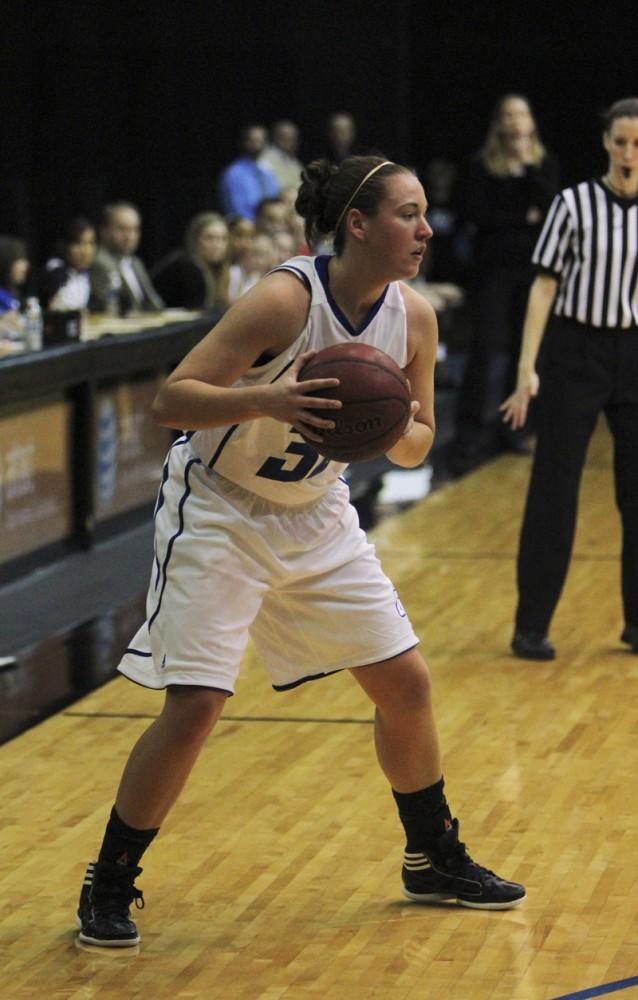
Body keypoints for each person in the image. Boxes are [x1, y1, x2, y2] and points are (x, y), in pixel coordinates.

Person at [75, 154, 525, 949]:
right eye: (408, 214)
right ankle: (109, 880)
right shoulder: (285, 298)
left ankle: (432, 856)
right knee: (196, 707)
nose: (426, 230)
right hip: (221, 508)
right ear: (358, 224)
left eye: (425, 214)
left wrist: (391, 429)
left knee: (406, 683)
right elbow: (171, 400)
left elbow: (419, 438)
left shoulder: (413, 317)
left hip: (316, 513)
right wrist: (268, 396)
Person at [501, 97, 638, 661]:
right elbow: (543, 286)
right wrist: (526, 366)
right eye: (622, 141)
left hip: (634, 352)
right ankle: (531, 625)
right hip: (575, 352)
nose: (631, 152)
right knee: (555, 489)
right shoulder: (573, 204)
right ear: (605, 143)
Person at [452, 95, 559, 472]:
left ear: (531, 122)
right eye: (509, 115)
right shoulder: (482, 165)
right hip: (493, 271)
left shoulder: (543, 164)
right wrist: (523, 217)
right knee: (486, 351)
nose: (516, 122)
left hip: (532, 271)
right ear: (499, 123)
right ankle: (469, 437)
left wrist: (527, 172)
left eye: (522, 114)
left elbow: (551, 209)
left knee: (525, 353)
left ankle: (514, 430)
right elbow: (476, 214)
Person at [90, 202, 164, 314]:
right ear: (104, 230)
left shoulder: (135, 262)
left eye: (135, 230)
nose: (130, 236)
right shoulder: (99, 262)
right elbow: (111, 310)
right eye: (122, 229)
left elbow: (155, 303)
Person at [151, 212, 230, 312]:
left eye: (223, 239)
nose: (217, 245)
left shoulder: (215, 271)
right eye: (210, 238)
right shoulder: (187, 267)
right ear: (195, 239)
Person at [217, 125, 280, 221]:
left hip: (270, 225)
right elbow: (236, 209)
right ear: (244, 142)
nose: (257, 144)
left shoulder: (268, 171)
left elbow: (275, 201)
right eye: (252, 140)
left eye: (261, 139)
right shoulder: (234, 173)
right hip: (245, 228)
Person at [38, 218, 96, 312]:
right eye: (78, 243)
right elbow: (53, 309)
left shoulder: (85, 273)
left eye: (90, 243)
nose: (85, 251)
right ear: (65, 245)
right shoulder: (56, 271)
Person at [259, 120, 304, 191]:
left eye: (294, 138)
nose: (292, 143)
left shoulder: (294, 162)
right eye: (286, 138)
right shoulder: (263, 159)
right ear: (275, 137)